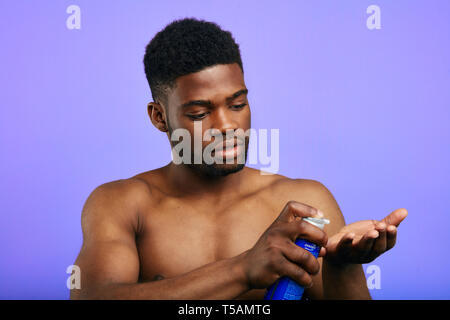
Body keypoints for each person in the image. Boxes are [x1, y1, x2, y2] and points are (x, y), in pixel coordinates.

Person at [70, 17, 407, 300]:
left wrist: (343, 265)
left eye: (237, 105)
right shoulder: (122, 203)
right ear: (159, 116)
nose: (227, 126)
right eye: (201, 112)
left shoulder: (305, 201)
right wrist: (243, 269)